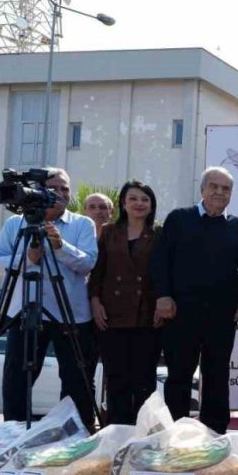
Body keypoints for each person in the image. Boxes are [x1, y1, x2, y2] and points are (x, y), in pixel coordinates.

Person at [0, 167, 98, 426]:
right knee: (17, 379)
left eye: (65, 189)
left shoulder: (82, 224)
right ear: (38, 190)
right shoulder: (15, 224)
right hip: (25, 311)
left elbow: (88, 264)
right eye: (54, 188)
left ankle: (75, 434)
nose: (60, 193)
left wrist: (61, 246)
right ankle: (14, 433)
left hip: (70, 314)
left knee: (76, 379)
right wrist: (28, 258)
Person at [151, 166, 238, 433]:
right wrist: (162, 295)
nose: (219, 192)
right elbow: (161, 259)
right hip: (181, 313)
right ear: (202, 189)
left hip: (221, 315)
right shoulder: (179, 218)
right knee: (179, 374)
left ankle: (215, 431)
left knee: (217, 374)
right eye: (214, 187)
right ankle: (176, 430)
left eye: (226, 188)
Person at [88, 180, 161, 425]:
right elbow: (97, 270)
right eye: (134, 198)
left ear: (152, 205)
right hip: (111, 315)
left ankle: (144, 431)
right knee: (116, 377)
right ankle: (116, 430)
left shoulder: (159, 233)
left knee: (144, 380)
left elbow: (165, 272)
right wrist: (95, 301)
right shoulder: (109, 232)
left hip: (148, 315)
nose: (139, 204)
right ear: (123, 202)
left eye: (145, 199)